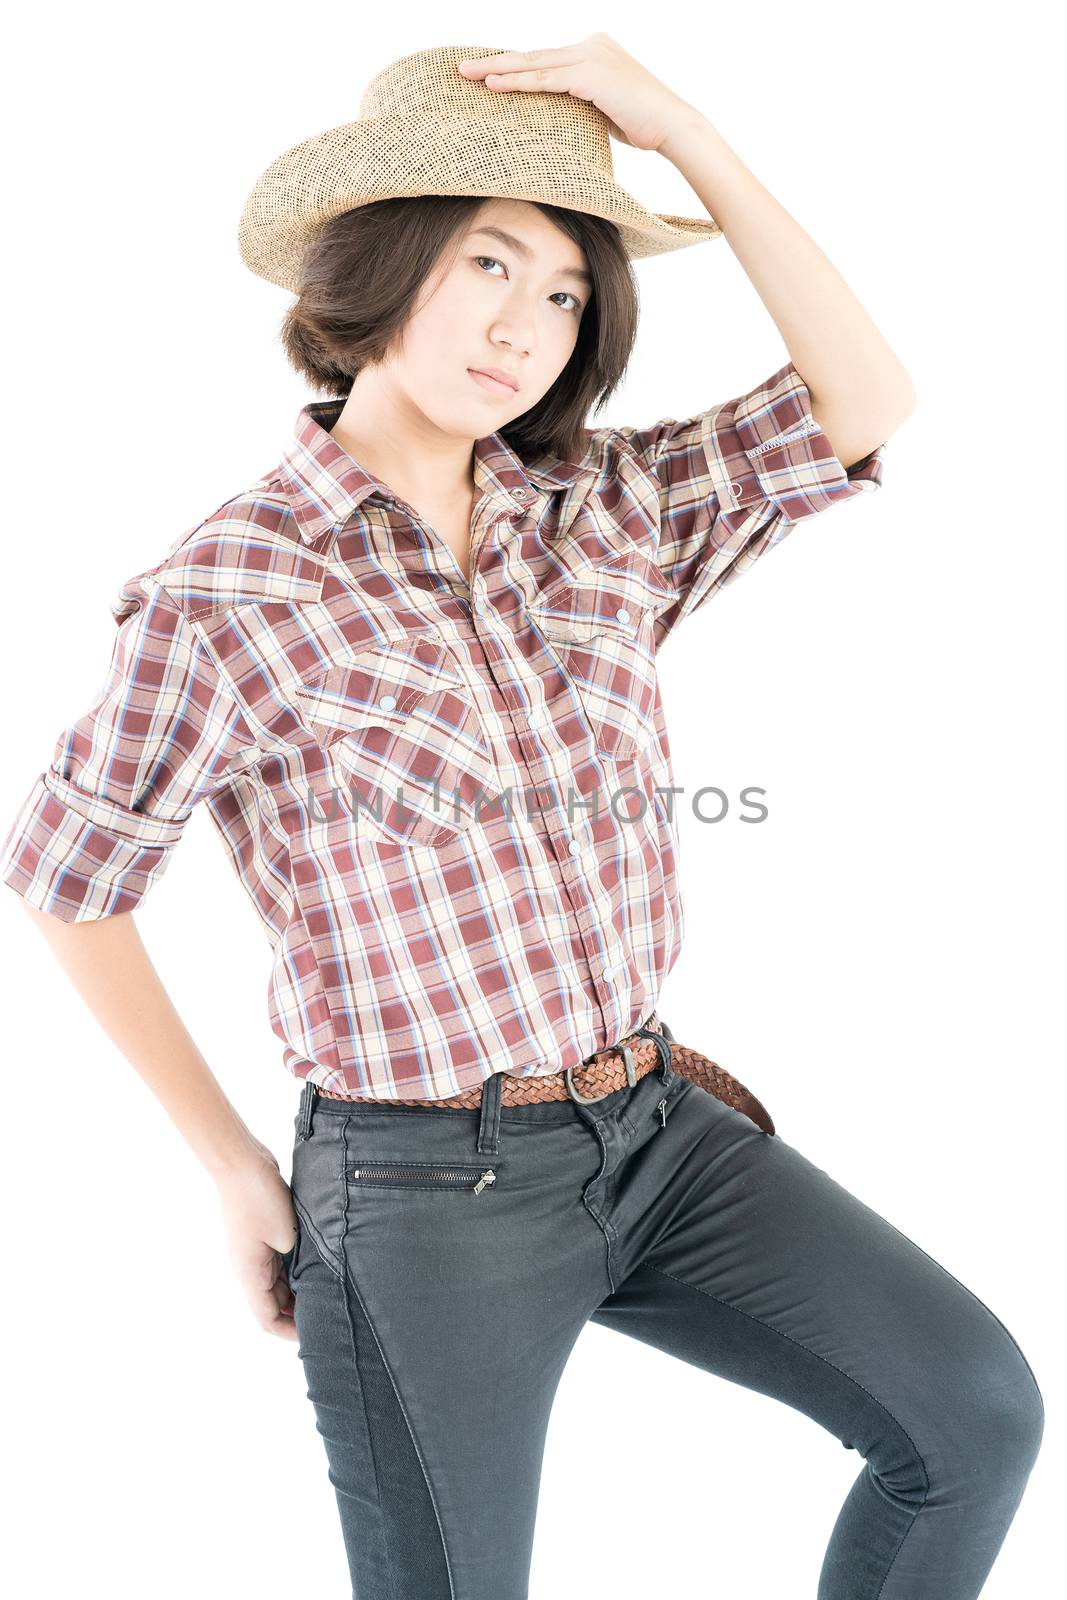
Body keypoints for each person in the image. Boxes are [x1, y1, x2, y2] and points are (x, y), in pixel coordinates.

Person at [0, 36, 1043, 1600]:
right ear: (385, 262)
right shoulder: (234, 585)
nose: (527, 325)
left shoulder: (607, 510)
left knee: (971, 1416)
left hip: (659, 1129)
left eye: (567, 291)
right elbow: (70, 879)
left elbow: (866, 397)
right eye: (489, 261)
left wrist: (684, 132)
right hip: (425, 1193)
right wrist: (230, 1167)